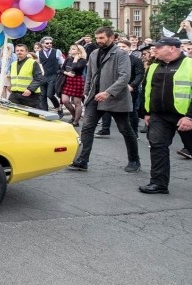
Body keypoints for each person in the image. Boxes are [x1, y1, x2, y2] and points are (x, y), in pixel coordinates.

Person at [68, 27, 141, 172]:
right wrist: (87, 92)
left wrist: (108, 93)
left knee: (125, 129)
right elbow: (90, 74)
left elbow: (124, 77)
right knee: (87, 127)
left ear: (112, 37)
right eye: (97, 38)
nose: (98, 41)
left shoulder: (121, 54)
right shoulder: (94, 53)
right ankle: (83, 160)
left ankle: (134, 160)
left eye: (102, 38)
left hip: (116, 98)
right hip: (95, 97)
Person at [139, 37, 192, 193]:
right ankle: (159, 183)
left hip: (184, 116)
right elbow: (147, 91)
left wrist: (190, 116)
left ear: (172, 48)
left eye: (158, 47)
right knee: (157, 146)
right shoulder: (154, 66)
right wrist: (147, 113)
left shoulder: (189, 64)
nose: (153, 50)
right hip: (159, 116)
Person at [96, 39, 143, 135]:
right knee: (106, 107)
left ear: (130, 48)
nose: (121, 48)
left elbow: (139, 75)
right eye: (119, 46)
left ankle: (134, 132)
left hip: (129, 88)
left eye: (124, 47)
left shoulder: (136, 60)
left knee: (131, 111)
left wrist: (132, 85)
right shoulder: (113, 58)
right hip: (112, 88)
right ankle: (105, 129)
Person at [61, 44, 87, 127]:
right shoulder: (68, 58)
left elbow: (75, 68)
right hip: (67, 81)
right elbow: (61, 69)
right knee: (65, 100)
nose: (71, 50)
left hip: (77, 81)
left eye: (73, 49)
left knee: (77, 103)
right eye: (71, 48)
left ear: (79, 51)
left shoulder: (83, 60)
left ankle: (76, 121)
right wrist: (66, 73)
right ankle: (74, 115)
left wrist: (75, 59)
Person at [8, 43, 42, 108]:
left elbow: (38, 78)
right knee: (12, 113)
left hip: (30, 95)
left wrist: (30, 89)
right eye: (17, 50)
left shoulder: (32, 63)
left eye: (21, 50)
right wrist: (10, 86)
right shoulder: (13, 64)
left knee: (32, 115)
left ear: (26, 52)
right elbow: (14, 78)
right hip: (15, 94)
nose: (19, 52)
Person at [37, 37, 64, 115]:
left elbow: (61, 63)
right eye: (47, 43)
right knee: (43, 96)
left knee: (50, 95)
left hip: (53, 75)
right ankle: (45, 113)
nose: (49, 44)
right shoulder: (38, 53)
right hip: (43, 76)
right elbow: (38, 64)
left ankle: (58, 108)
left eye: (50, 43)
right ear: (42, 44)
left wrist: (61, 73)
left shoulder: (57, 51)